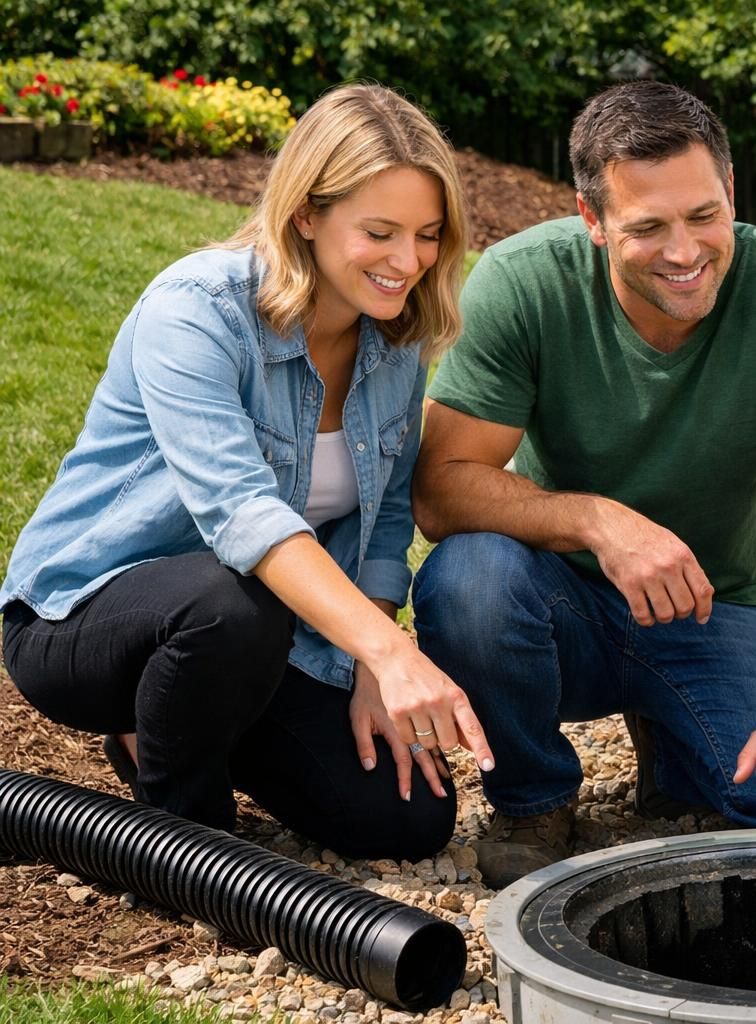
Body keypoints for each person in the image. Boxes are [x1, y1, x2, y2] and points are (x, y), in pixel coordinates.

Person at [1, 84, 495, 862]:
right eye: (380, 232)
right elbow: (243, 518)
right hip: (82, 616)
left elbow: (387, 519)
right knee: (231, 605)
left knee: (407, 819)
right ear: (306, 213)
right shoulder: (196, 310)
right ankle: (184, 838)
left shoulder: (393, 343)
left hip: (253, 636)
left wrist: (370, 660)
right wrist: (390, 653)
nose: (408, 262)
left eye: (428, 235)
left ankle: (174, 719)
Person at [410, 81, 756, 885]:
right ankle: (533, 797)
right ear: (592, 222)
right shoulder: (523, 282)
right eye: (648, 227)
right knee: (466, 581)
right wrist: (599, 522)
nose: (686, 251)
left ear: (730, 191)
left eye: (704, 215)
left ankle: (672, 742)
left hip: (721, 604)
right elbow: (441, 489)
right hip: (559, 602)